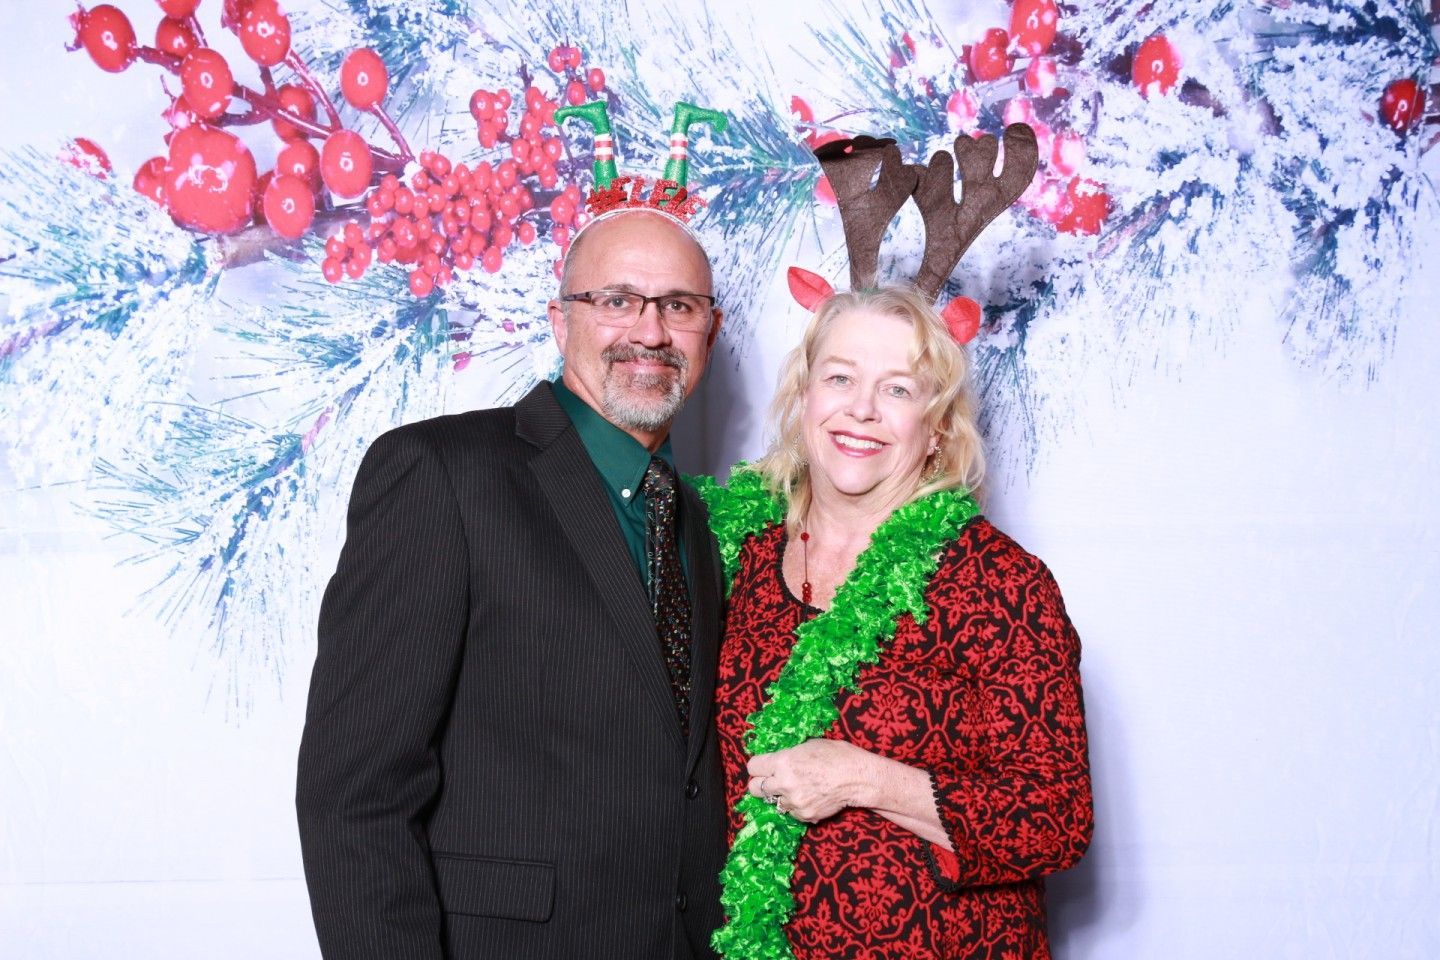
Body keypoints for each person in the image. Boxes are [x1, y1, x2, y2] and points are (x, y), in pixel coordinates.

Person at [295, 209, 729, 960]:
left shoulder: (694, 519)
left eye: (679, 307)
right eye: (617, 300)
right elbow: (354, 794)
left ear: (709, 334)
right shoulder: (442, 475)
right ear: (562, 322)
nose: (651, 333)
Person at [700, 285, 1092, 959]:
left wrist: (865, 778)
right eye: (841, 377)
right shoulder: (736, 549)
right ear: (805, 395)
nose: (861, 408)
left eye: (898, 390)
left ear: (936, 424)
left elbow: (1057, 819)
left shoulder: (996, 582)